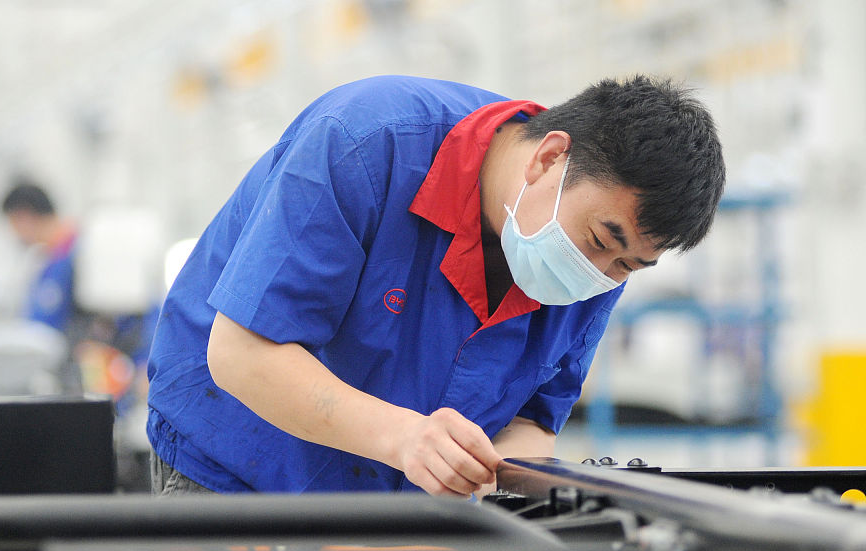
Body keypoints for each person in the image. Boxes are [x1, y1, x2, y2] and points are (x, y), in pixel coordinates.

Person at [146, 74, 725, 496]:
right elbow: (242, 354)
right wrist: (405, 439)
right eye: (602, 242)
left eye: (628, 267)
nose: (601, 275)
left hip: (406, 517)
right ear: (549, 158)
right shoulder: (366, 143)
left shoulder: (597, 264)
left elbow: (529, 421)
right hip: (234, 478)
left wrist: (501, 478)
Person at [0, 182, 78, 334]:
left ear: (24, 216)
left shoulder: (74, 256)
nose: (14, 233)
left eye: (14, 223)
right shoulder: (51, 260)